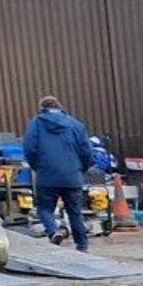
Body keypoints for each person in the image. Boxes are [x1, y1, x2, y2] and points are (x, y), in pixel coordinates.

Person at [21, 96, 96, 252]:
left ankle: (53, 231)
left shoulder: (35, 124)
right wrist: (81, 168)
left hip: (47, 175)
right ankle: (82, 246)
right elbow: (86, 151)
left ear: (42, 108)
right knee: (74, 212)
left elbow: (29, 148)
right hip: (72, 176)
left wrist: (38, 167)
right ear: (60, 107)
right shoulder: (75, 125)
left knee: (44, 208)